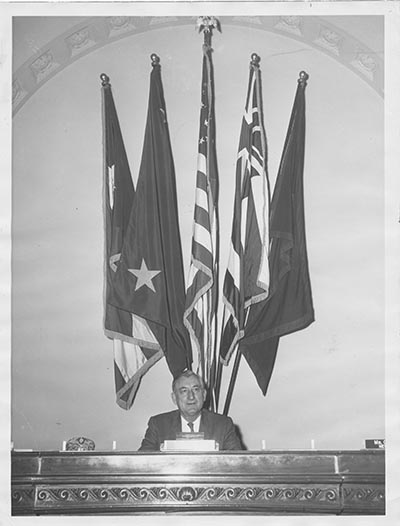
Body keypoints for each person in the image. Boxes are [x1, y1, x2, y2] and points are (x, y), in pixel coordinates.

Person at [138, 370, 243, 451]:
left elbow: (239, 464)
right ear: (174, 398)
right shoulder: (158, 424)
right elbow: (142, 462)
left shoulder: (223, 425)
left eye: (196, 389)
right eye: (184, 391)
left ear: (204, 395)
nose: (191, 397)